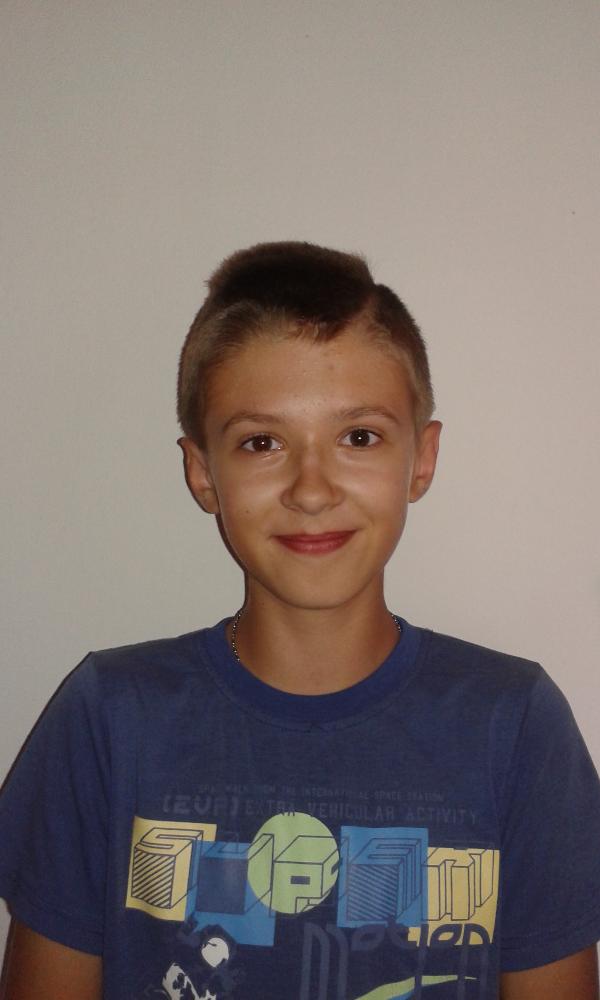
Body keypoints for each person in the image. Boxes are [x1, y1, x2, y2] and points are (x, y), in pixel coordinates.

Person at [1, 242, 599, 1000]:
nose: (311, 489)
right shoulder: (110, 717)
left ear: (421, 459)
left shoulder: (515, 725)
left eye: (359, 437)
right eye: (262, 442)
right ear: (201, 472)